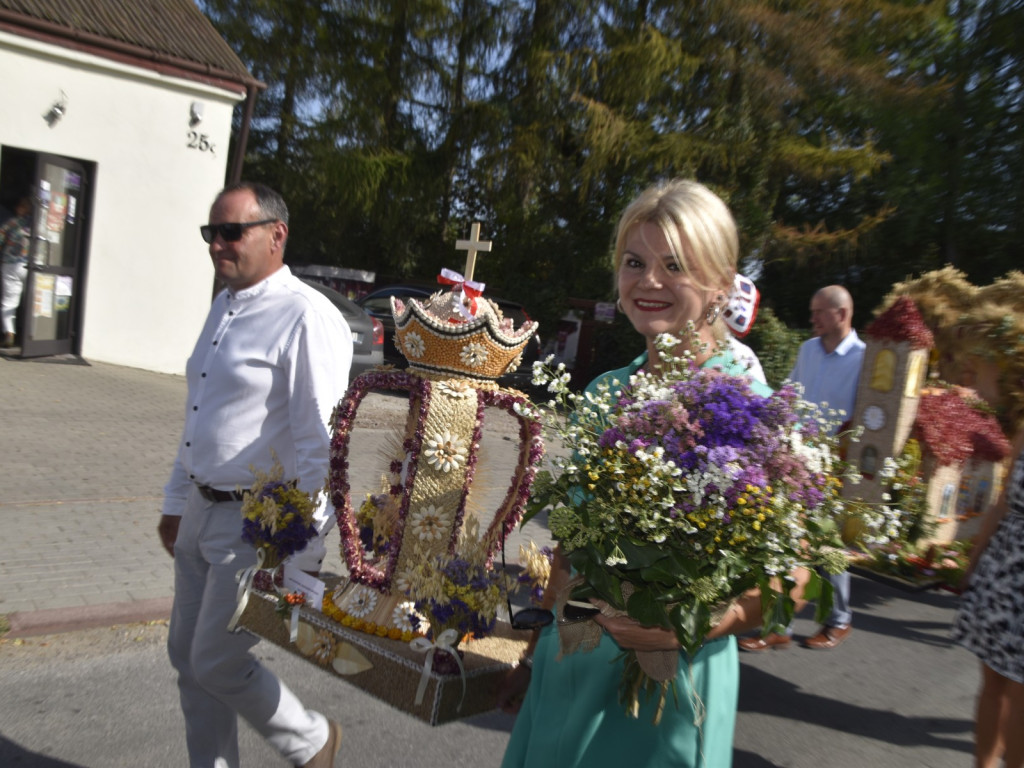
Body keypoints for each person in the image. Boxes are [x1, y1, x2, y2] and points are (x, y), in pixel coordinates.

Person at [498, 179, 807, 768]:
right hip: (571, 663)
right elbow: (569, 546)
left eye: (675, 265)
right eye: (634, 262)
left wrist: (694, 626)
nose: (649, 281)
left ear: (720, 284)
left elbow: (787, 583)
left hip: (667, 691)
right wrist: (531, 653)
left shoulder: (755, 411)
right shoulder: (603, 392)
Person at [158, 181, 352, 768]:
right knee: (187, 659)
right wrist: (174, 499)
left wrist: (305, 551)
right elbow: (200, 413)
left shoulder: (305, 316)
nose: (217, 245)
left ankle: (312, 742)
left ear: (276, 234)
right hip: (200, 508)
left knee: (216, 660)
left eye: (230, 232)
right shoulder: (224, 304)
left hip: (259, 523)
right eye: (210, 233)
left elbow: (321, 443)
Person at [739, 285, 864, 652]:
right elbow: (789, 393)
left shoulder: (865, 358)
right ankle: (779, 624)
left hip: (838, 464)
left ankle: (839, 620)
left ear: (841, 314)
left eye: (819, 313)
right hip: (798, 459)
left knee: (829, 546)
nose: (812, 319)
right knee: (788, 541)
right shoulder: (809, 349)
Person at [952, 354, 1024, 768]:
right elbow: (1000, 501)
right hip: (1005, 565)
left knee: (1019, 691)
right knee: (993, 679)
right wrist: (975, 558)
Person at [0, 195, 32, 348]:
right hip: (29, 265)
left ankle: (9, 333)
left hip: (10, 265)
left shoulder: (11, 223)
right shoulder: (35, 223)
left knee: (9, 301)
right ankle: (33, 335)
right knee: (32, 300)